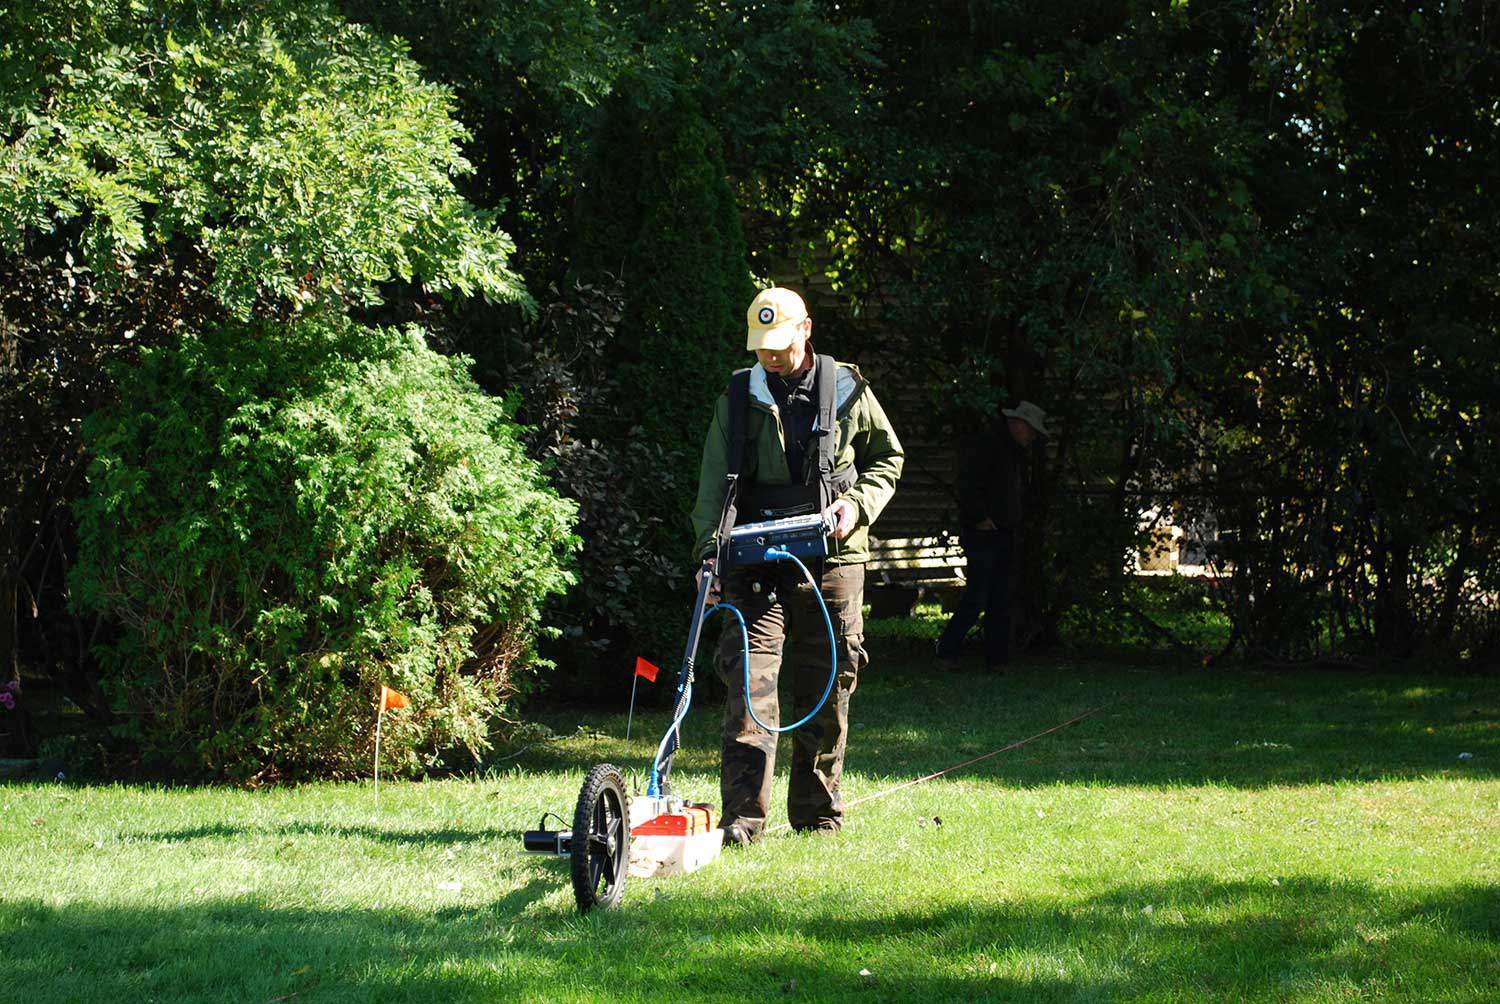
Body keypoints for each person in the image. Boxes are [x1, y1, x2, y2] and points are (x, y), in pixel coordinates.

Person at [690, 287, 903, 846]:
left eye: (782, 345)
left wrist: (852, 508)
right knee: (748, 687)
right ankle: (742, 823)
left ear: (806, 329)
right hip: (753, 563)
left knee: (827, 685)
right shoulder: (736, 397)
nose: (772, 356)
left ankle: (816, 816)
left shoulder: (850, 389)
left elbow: (889, 458)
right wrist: (709, 557)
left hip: (834, 558)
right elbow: (714, 487)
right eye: (763, 347)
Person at [936, 400, 1050, 671]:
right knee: (978, 596)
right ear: (1018, 424)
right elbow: (968, 483)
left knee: (1000, 597)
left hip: (1003, 532)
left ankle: (995, 659)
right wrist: (979, 518)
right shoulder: (989, 446)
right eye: (1031, 429)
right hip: (984, 533)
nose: (1032, 436)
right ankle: (948, 650)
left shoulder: (1013, 452)